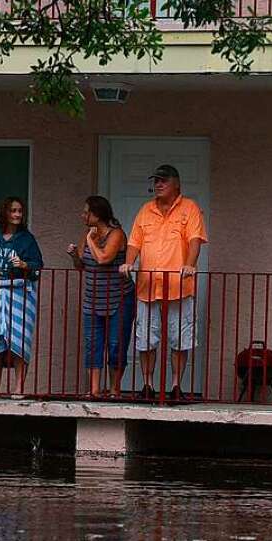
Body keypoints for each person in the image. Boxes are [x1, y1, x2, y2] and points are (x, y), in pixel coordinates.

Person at [120, 164, 207, 403]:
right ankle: (148, 384)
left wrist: (190, 265)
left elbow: (195, 240)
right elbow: (134, 242)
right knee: (146, 338)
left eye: (163, 180)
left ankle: (176, 385)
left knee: (180, 338)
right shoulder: (145, 210)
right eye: (156, 180)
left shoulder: (189, 208)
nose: (158, 184)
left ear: (176, 184)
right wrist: (128, 262)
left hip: (179, 286)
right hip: (148, 286)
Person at [0, 197, 44, 398]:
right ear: (5, 213)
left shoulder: (26, 239)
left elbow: (38, 264)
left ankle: (19, 388)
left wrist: (24, 265)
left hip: (20, 293)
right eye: (13, 211)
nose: (18, 215)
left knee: (19, 339)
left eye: (20, 211)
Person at [67, 195, 135, 398]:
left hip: (119, 298)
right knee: (93, 344)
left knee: (116, 344)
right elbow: (82, 265)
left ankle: (115, 389)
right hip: (93, 298)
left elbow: (104, 258)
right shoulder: (87, 234)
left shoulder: (116, 234)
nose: (83, 216)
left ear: (98, 214)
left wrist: (90, 240)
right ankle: (94, 390)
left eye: (87, 212)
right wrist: (74, 256)